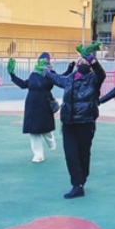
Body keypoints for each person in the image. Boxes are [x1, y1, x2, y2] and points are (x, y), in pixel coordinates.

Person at [44, 55, 106, 199]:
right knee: (70, 155)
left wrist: (93, 61)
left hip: (85, 122)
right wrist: (45, 71)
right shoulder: (70, 79)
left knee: (83, 153)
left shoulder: (93, 79)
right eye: (80, 60)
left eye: (85, 61)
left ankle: (82, 178)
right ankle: (77, 185)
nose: (82, 62)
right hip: (68, 123)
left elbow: (101, 74)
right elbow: (57, 79)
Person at [10, 52, 57, 163]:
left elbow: (58, 80)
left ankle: (51, 142)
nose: (42, 62)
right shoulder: (33, 74)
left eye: (45, 60)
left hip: (44, 103)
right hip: (31, 104)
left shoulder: (51, 74)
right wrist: (13, 75)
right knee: (33, 130)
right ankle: (38, 155)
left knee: (45, 128)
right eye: (40, 60)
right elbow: (24, 85)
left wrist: (69, 69)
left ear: (48, 62)